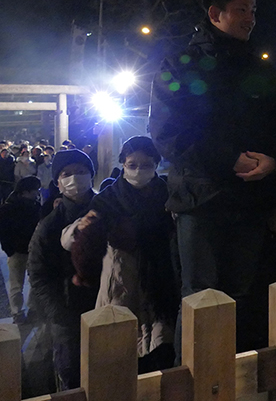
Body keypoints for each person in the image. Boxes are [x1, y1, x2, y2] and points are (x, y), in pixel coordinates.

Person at [150, 0, 276, 354]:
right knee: (200, 298)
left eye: (254, 11)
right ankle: (192, 379)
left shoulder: (261, 68)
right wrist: (229, 160)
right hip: (200, 202)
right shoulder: (180, 65)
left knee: (241, 295)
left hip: (250, 202)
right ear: (215, 13)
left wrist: (274, 160)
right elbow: (168, 133)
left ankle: (232, 377)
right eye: (242, 9)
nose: (251, 19)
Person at [61, 136, 179, 372]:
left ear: (156, 165)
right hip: (120, 291)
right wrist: (80, 228)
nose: (138, 171)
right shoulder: (107, 199)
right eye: (132, 164)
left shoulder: (171, 196)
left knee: (160, 363)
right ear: (123, 164)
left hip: (162, 294)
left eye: (146, 165)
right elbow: (69, 239)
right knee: (119, 364)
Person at [27, 149, 97, 391]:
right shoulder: (49, 225)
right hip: (67, 315)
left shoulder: (109, 211)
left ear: (91, 175)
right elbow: (38, 273)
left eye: (80, 171)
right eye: (66, 174)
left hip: (108, 307)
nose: (74, 178)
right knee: (72, 380)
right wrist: (57, 313)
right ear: (57, 182)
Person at [0, 176, 41, 324]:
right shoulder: (9, 208)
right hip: (19, 252)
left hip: (29, 251)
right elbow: (3, 231)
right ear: (25, 192)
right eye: (35, 190)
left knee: (23, 282)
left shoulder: (34, 206)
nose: (37, 193)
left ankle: (22, 311)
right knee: (22, 283)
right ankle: (23, 311)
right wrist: (9, 250)